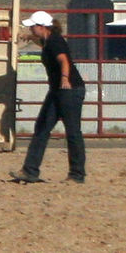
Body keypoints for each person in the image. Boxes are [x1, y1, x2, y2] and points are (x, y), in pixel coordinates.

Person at [10, 11, 86, 184]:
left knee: (73, 131)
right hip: (57, 91)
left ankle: (77, 174)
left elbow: (64, 60)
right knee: (42, 128)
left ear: (41, 26)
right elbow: (41, 41)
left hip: (69, 90)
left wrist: (65, 79)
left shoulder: (55, 42)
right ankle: (30, 170)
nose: (31, 29)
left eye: (32, 26)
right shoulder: (48, 40)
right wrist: (29, 37)